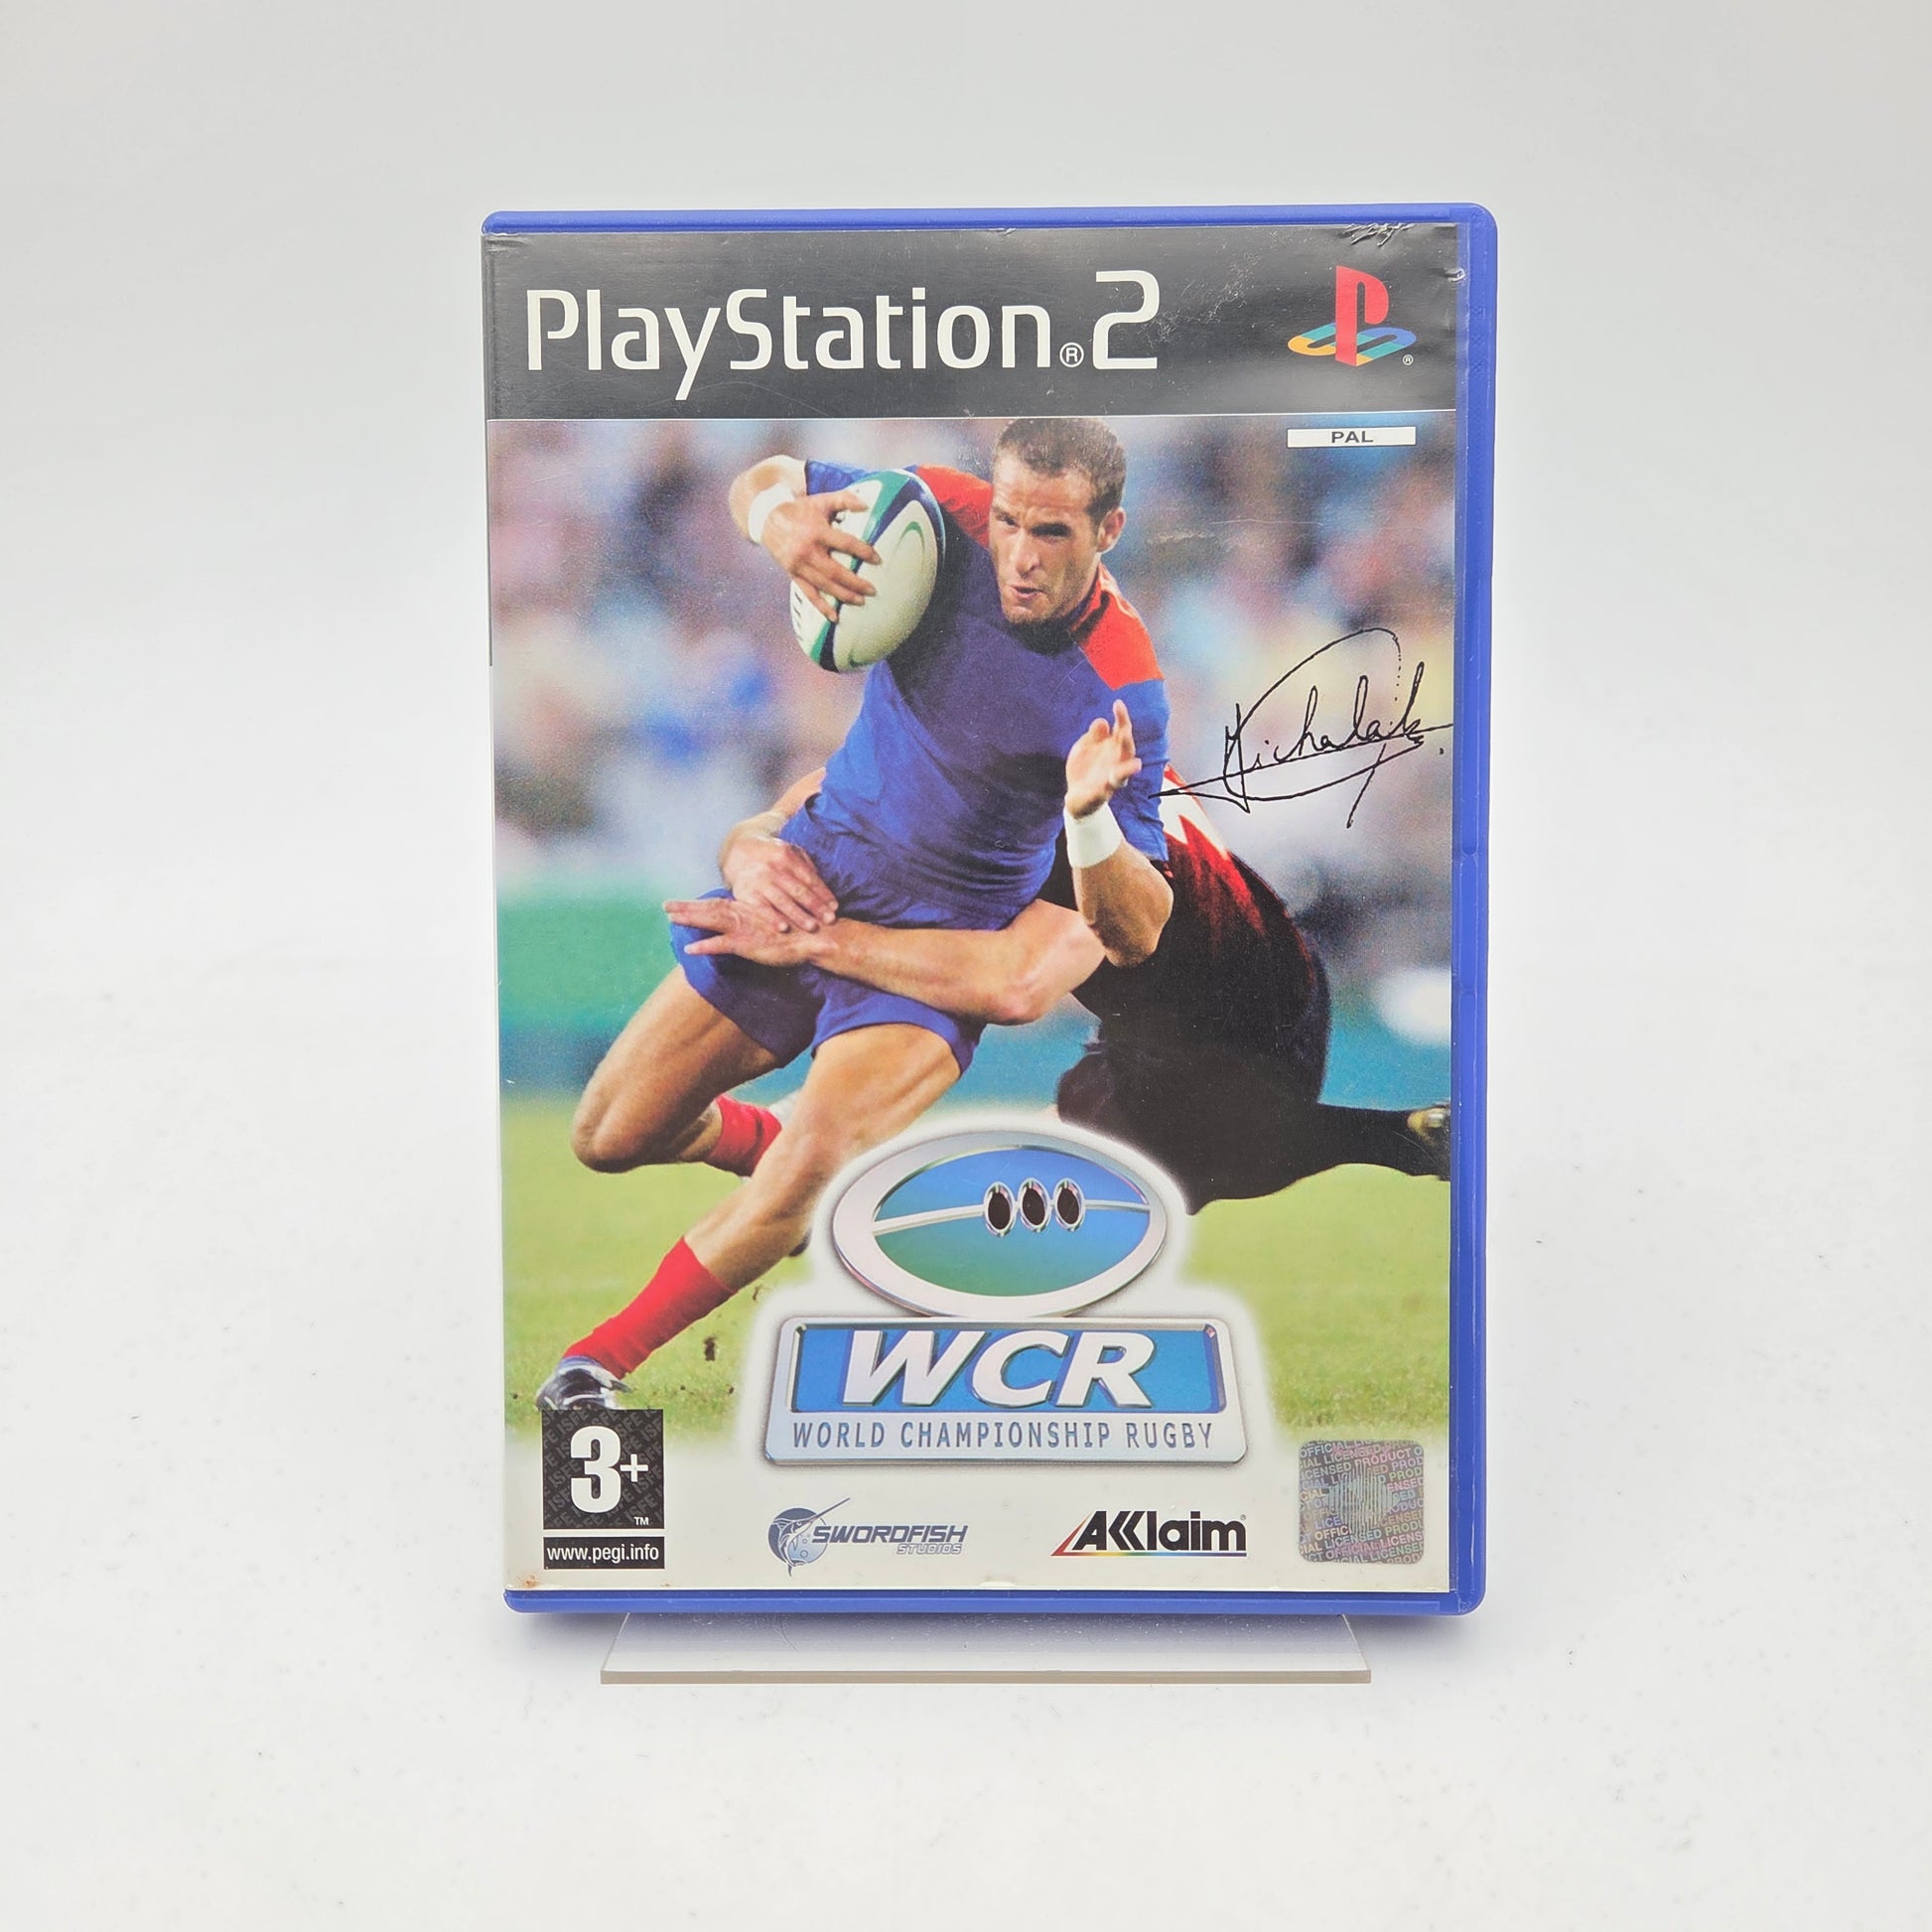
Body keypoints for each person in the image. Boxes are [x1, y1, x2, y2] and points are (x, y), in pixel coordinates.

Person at [535, 419, 1173, 1413]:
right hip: (818, 867)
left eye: (1050, 532)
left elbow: (1085, 952)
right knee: (610, 1133)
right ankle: (778, 1146)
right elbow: (767, 477)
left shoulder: (1121, 685)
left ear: (1109, 530)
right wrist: (775, 522)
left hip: (930, 954)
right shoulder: (937, 512)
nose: (1017, 553)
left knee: (804, 1170)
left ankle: (590, 1369)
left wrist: (1089, 822)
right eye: (1009, 520)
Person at [674, 767, 1449, 1217]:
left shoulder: (1062, 823)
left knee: (1075, 1188)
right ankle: (1392, 1138)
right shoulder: (1092, 754)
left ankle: (1386, 1138)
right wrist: (754, 839)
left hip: (1220, 1043)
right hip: (1260, 987)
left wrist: (819, 942)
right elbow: (834, 785)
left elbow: (1014, 987)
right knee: (1107, 1137)